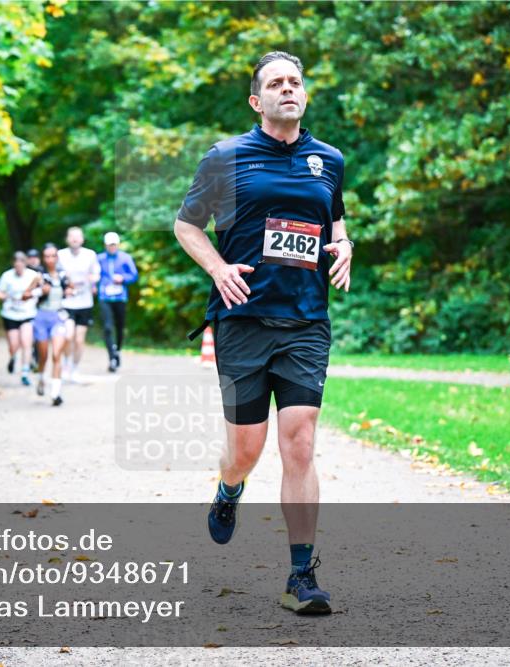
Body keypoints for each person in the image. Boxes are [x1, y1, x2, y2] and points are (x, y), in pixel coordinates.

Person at [173, 51, 353, 616]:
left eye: (295, 82)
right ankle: (230, 489)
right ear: (257, 100)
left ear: (305, 94)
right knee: (245, 451)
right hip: (243, 322)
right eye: (275, 83)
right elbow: (186, 224)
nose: (287, 89)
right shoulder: (226, 157)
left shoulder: (329, 160)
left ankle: (302, 574)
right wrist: (218, 268)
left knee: (299, 440)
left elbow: (336, 218)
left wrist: (345, 245)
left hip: (305, 322)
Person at [57, 227, 100, 382]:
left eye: (77, 237)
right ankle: (66, 364)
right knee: (68, 336)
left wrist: (91, 280)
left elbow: (96, 274)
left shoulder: (90, 255)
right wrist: (66, 283)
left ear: (82, 239)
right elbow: (55, 276)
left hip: (84, 302)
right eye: (72, 237)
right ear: (67, 239)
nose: (75, 239)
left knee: (79, 340)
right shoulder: (60, 255)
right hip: (66, 302)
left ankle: (75, 368)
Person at [31, 244, 71, 406]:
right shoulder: (38, 277)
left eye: (53, 256)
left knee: (56, 354)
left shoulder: (63, 276)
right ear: (43, 258)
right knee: (43, 356)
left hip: (58, 317)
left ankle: (55, 393)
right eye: (47, 256)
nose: (50, 259)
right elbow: (25, 295)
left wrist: (70, 292)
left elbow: (72, 289)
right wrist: (40, 291)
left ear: (57, 257)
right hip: (41, 317)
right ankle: (41, 378)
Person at [0, 252, 40, 386]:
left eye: (21, 263)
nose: (18, 266)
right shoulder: (7, 276)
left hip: (28, 313)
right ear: (13, 264)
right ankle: (13, 356)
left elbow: (42, 289)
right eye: (16, 263)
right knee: (14, 345)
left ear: (25, 263)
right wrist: (7, 297)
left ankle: (25, 372)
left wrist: (32, 295)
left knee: (26, 343)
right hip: (10, 314)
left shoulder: (33, 275)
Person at [97, 232, 138, 372]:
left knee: (120, 326)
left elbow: (134, 275)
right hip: (105, 297)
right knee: (108, 327)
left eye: (114, 244)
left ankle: (118, 350)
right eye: (109, 245)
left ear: (118, 245)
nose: (112, 247)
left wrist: (123, 278)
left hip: (120, 297)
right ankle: (112, 358)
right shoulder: (99, 259)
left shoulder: (125, 258)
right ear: (105, 245)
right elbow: (93, 274)